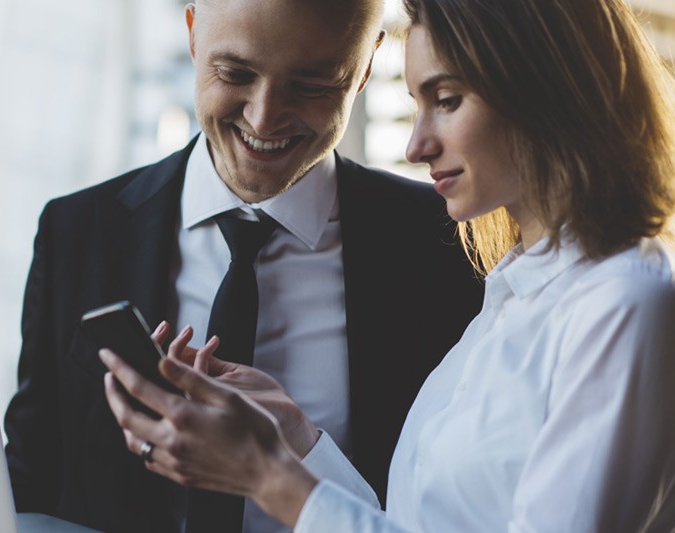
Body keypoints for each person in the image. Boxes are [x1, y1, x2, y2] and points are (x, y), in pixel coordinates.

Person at [100, 0, 675, 531]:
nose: (416, 146)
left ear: (546, 87)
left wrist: (266, 478)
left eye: (446, 101)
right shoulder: (513, 296)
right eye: (417, 105)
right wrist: (294, 440)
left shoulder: (623, 300)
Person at [3, 0, 483, 531]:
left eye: (313, 85)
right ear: (192, 35)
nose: (263, 118)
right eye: (234, 73)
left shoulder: (451, 246)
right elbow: (31, 480)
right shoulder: (75, 231)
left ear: (368, 64)